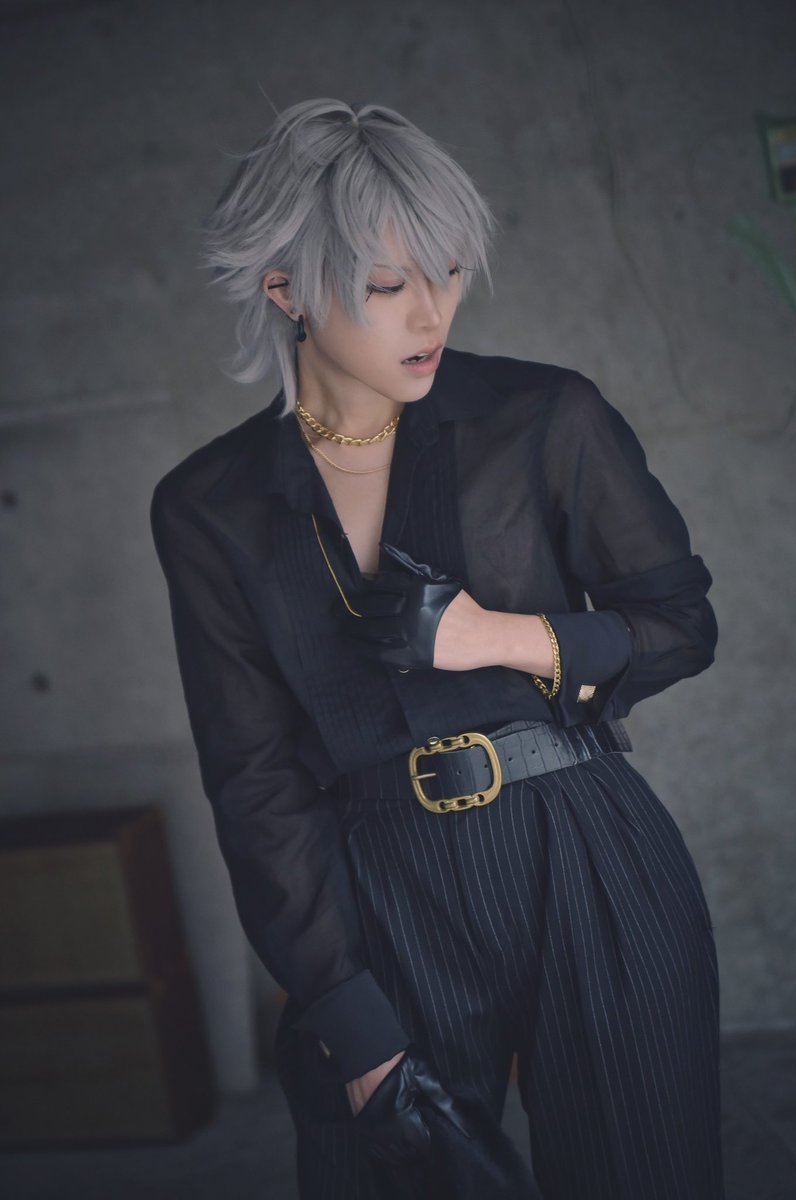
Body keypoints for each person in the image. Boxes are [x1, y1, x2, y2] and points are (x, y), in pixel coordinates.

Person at [150, 97, 724, 1199]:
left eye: (448, 271)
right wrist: (346, 1016)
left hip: (584, 850)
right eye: (385, 285)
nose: (431, 313)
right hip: (377, 898)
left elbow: (679, 626)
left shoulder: (544, 418)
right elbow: (255, 778)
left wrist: (493, 637)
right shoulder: (210, 506)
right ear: (285, 289)